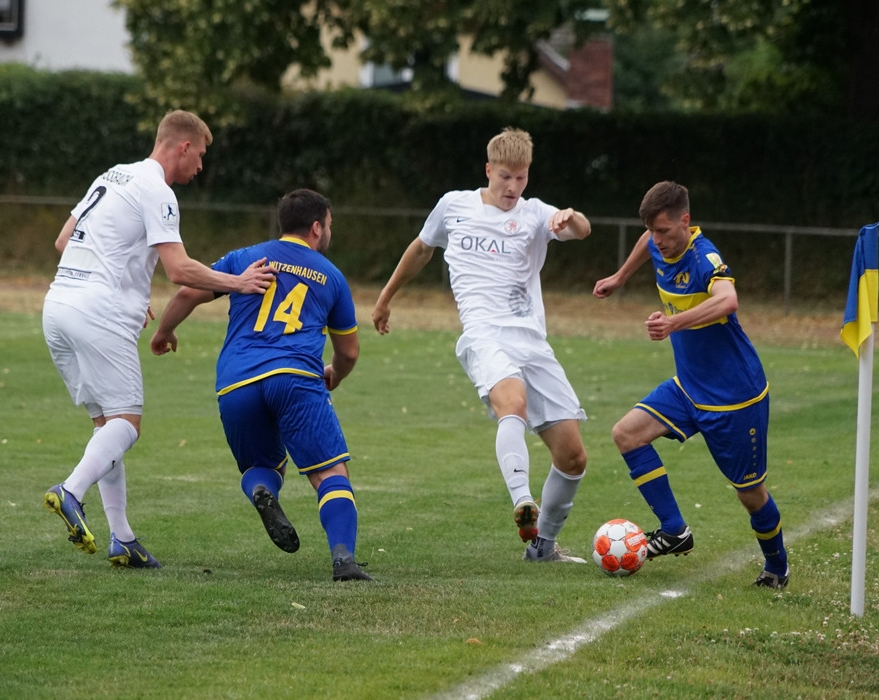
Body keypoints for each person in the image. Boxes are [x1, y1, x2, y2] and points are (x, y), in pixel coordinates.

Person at [42, 109, 275, 568]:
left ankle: (123, 539)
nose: (201, 166)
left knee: (107, 427)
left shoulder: (112, 175)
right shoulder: (158, 190)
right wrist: (239, 283)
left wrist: (124, 285)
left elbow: (63, 241)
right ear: (183, 146)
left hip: (58, 306)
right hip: (98, 314)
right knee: (127, 424)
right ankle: (70, 490)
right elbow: (179, 269)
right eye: (200, 154)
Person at [371, 127, 592, 563]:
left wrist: (570, 217)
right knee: (513, 403)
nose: (513, 187)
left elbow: (582, 231)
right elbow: (421, 249)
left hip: (532, 342)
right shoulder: (454, 205)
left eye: (521, 178)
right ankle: (522, 499)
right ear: (488, 170)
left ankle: (543, 548)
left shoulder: (536, 214)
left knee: (573, 457)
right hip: (483, 335)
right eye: (505, 177)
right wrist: (385, 297)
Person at [150, 188, 372, 581]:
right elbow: (349, 352)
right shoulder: (331, 276)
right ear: (316, 227)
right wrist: (334, 374)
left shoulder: (245, 258)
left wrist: (164, 331)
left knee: (262, 465)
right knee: (330, 472)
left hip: (236, 382)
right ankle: (344, 560)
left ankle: (259, 491)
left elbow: (187, 293)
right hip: (295, 379)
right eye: (329, 225)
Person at [593, 181, 790, 589]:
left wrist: (672, 323)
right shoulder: (658, 242)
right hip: (688, 388)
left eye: (664, 231)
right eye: (653, 231)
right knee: (627, 434)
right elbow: (646, 241)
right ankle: (674, 530)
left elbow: (728, 300)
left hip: (735, 397)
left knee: (750, 494)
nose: (657, 240)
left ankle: (777, 567)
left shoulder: (704, 258)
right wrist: (620, 276)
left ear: (686, 221)